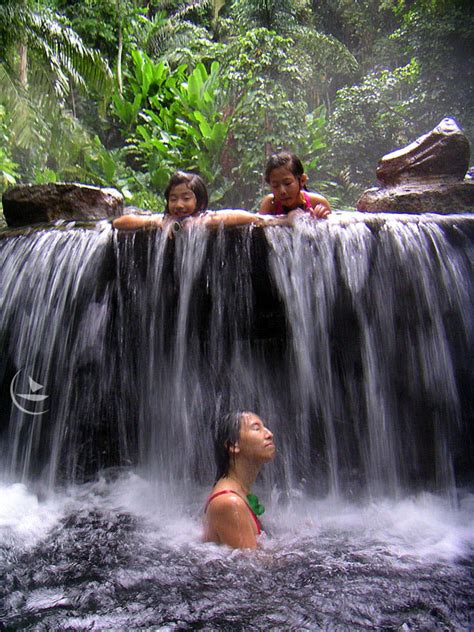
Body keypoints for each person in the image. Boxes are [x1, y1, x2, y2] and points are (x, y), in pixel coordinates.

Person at [112, 171, 279, 231]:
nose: (179, 204)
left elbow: (230, 216)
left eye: (186, 198)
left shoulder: (204, 218)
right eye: (173, 199)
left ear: (199, 202)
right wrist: (155, 224)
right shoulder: (165, 220)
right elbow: (119, 223)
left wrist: (259, 219)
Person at [203, 411, 275, 549]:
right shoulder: (229, 503)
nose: (269, 434)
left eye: (265, 427)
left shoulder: (239, 492)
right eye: (256, 428)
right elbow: (254, 566)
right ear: (233, 446)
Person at [259, 151, 331, 219]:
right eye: (275, 185)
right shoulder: (270, 205)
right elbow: (258, 227)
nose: (282, 191)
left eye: (287, 183)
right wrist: (287, 220)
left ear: (302, 180)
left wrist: (320, 221)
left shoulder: (317, 203)